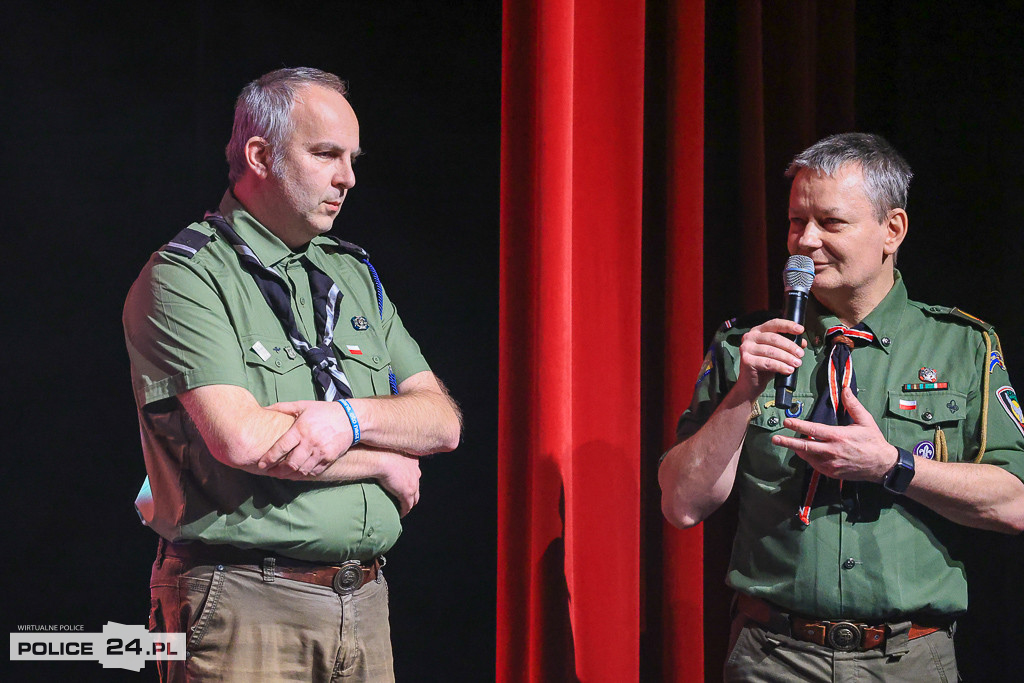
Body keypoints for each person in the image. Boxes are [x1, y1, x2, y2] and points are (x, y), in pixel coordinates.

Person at [123, 67, 462, 682]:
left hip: (363, 601)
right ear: (260, 155)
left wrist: (348, 418)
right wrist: (382, 459)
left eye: (353, 159)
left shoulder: (352, 274)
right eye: (326, 154)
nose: (348, 178)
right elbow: (245, 441)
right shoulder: (187, 275)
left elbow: (440, 421)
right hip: (246, 603)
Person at [659, 132, 1024, 681]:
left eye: (830, 223)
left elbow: (1016, 505)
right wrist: (742, 394)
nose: (804, 242)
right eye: (794, 223)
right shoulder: (745, 344)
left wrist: (893, 466)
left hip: (909, 659)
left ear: (891, 230)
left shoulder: (962, 345)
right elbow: (681, 505)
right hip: (772, 656)